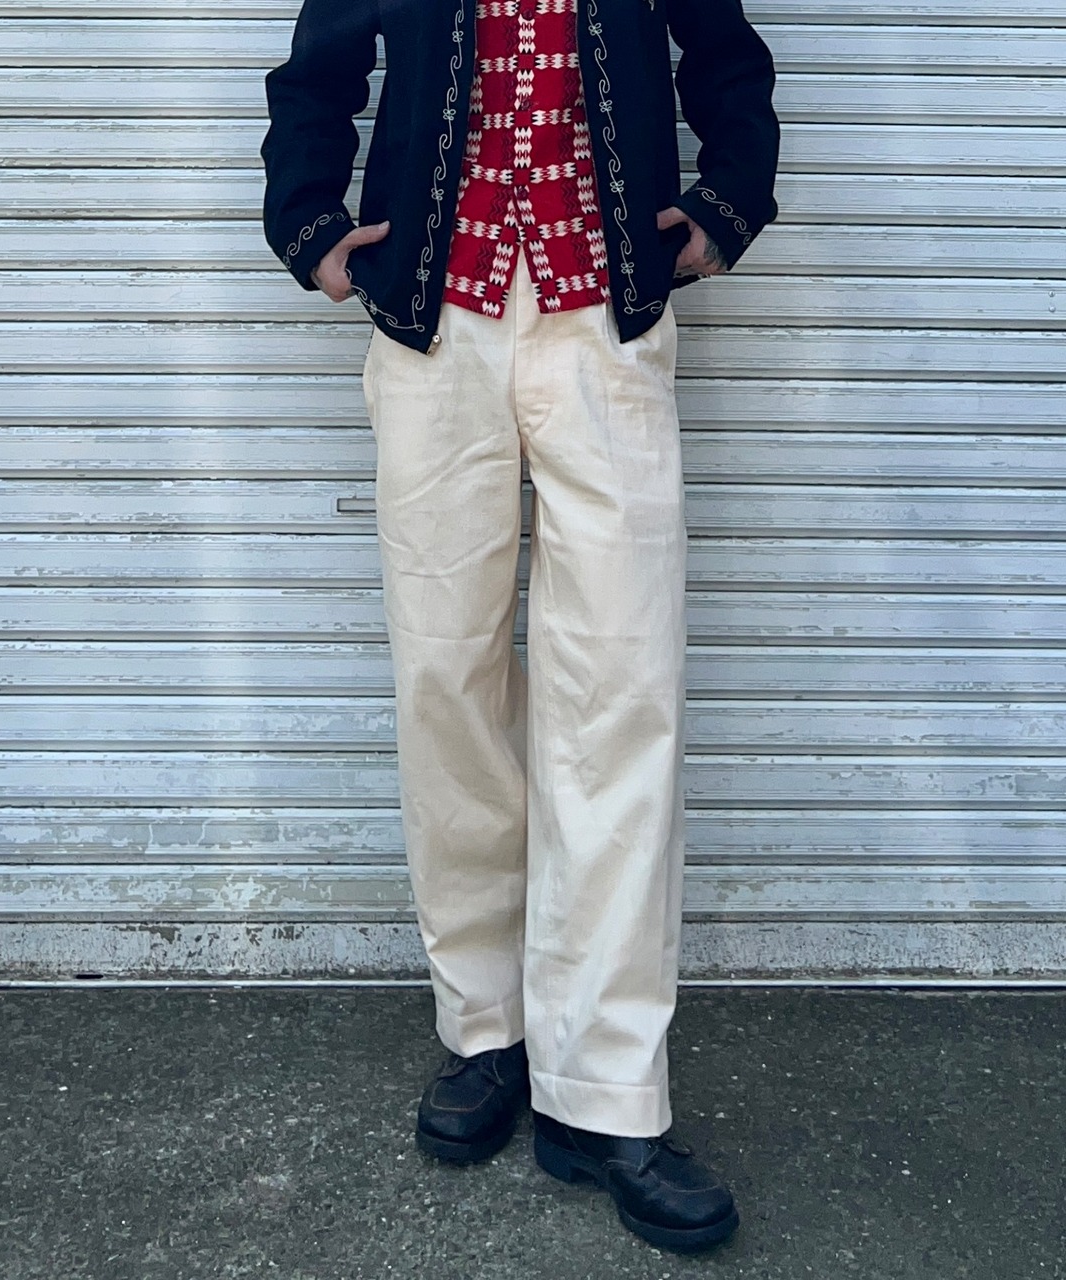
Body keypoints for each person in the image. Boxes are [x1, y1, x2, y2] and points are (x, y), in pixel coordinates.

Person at [261, 0, 780, 1254]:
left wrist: (725, 206)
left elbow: (724, 57)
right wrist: (311, 227)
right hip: (435, 334)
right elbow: (315, 75)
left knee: (620, 694)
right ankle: (485, 1027)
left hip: (604, 332)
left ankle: (603, 1088)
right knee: (446, 683)